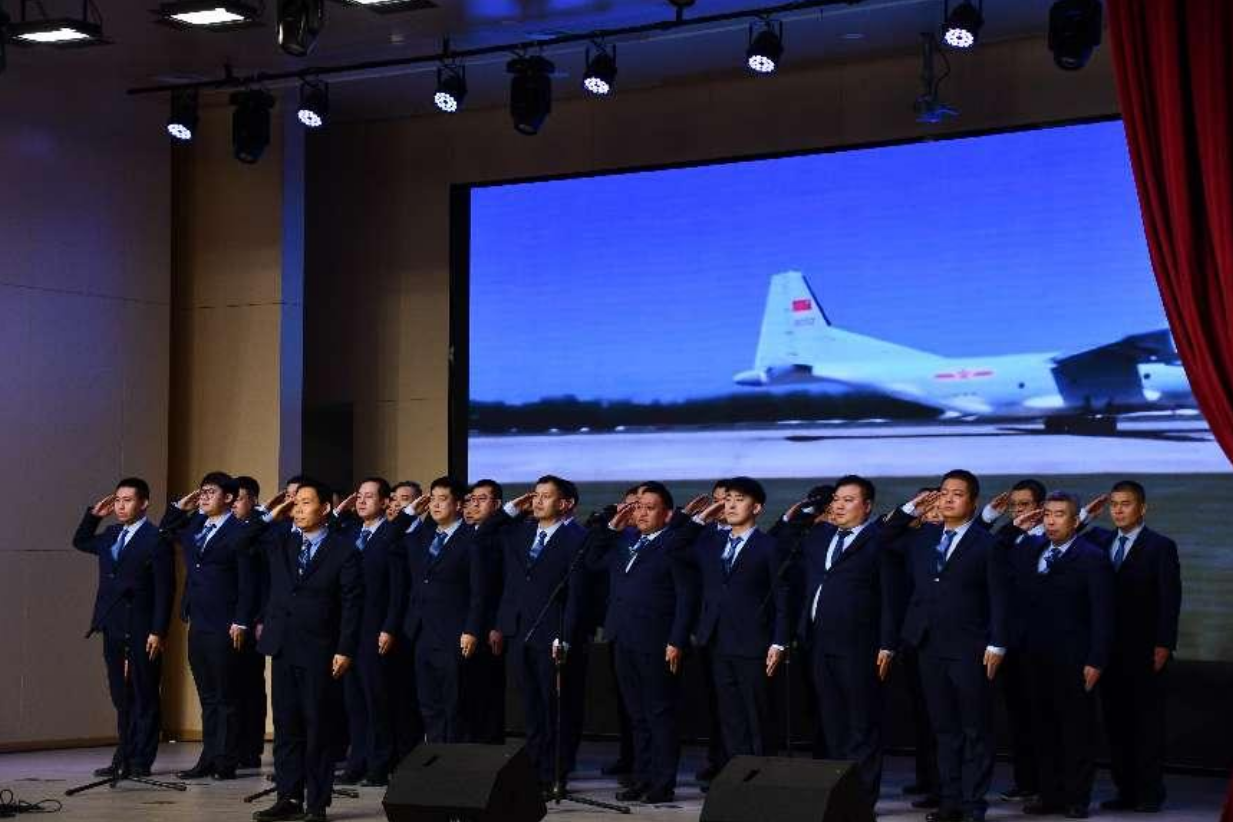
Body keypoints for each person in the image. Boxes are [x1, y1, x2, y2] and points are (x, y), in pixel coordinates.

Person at [890, 470, 1007, 822]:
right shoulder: (923, 537)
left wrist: (997, 643)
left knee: (974, 730)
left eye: (958, 493)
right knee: (945, 731)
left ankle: (973, 806)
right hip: (928, 645)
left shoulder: (987, 543)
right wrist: (911, 508)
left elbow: (1000, 598)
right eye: (943, 493)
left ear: (973, 502)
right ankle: (950, 802)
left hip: (971, 648)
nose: (948, 499)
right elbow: (883, 538)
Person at [253, 479, 363, 822]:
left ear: (325, 508)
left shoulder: (344, 549)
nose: (298, 509)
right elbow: (241, 539)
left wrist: (345, 648)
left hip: (321, 649)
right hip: (283, 645)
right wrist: (273, 514)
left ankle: (316, 803)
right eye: (295, 503)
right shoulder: (280, 540)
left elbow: (352, 605)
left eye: (305, 502)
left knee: (318, 728)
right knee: (286, 726)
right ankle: (288, 797)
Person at [998, 492, 1113, 818]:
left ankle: (1076, 798)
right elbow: (995, 556)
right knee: (1042, 730)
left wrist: (1097, 659)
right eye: (1047, 514)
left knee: (1075, 732)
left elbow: (1103, 613)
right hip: (1033, 658)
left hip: (1075, 660)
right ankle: (1049, 795)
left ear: (1076, 520)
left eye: (1059, 514)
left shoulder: (1091, 557)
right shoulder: (1030, 548)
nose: (1050, 520)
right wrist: (1013, 528)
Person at [588, 482, 698, 804]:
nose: (641, 513)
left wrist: (677, 639)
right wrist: (612, 527)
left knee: (659, 714)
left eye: (650, 508)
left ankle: (662, 783)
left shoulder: (674, 544)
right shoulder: (624, 541)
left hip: (657, 641)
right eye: (637, 507)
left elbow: (686, 597)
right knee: (636, 715)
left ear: (667, 514)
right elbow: (592, 562)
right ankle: (641, 777)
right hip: (623, 637)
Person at [793, 475, 899, 809]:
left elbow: (890, 598)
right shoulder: (819, 536)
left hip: (859, 646)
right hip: (819, 644)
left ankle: (862, 802)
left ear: (867, 506)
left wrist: (887, 644)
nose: (838, 506)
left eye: (848, 500)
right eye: (836, 500)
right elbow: (782, 539)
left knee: (861, 725)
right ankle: (837, 796)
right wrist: (804, 512)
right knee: (833, 725)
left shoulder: (879, 541)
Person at [1085, 481, 1181, 813]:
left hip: (1144, 651)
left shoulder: (1160, 546)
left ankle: (1149, 794)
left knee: (1146, 725)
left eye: (1125, 504)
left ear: (1142, 508)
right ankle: (1125, 791)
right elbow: (1067, 533)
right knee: (1116, 723)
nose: (1118, 510)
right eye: (1114, 505)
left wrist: (1164, 643)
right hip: (1107, 651)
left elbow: (1170, 598)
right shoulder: (1100, 541)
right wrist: (1086, 515)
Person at [681, 476, 789, 764]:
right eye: (727, 499)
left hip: (753, 643)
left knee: (757, 716)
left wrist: (779, 641)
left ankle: (763, 776)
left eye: (739, 500)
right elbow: (674, 548)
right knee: (730, 717)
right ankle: (737, 777)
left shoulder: (769, 546)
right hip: (717, 641)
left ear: (757, 508)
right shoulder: (711, 541)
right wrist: (700, 518)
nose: (730, 505)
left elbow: (781, 596)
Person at [492, 475, 588, 794]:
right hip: (520, 631)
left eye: (546, 496)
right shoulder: (521, 531)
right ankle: (533, 769)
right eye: (536, 495)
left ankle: (554, 773)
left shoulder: (577, 537)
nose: (537, 501)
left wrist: (566, 636)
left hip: (552, 635)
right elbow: (483, 534)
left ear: (565, 504)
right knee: (531, 707)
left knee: (554, 708)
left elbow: (576, 596)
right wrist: (510, 509)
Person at [162, 471, 261, 781]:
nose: (203, 497)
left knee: (226, 695)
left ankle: (226, 760)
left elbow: (248, 582)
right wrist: (179, 507)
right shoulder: (196, 525)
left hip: (226, 622)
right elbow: (165, 531)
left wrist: (241, 620)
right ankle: (208, 756)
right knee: (207, 695)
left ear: (228, 498)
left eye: (210, 492)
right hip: (198, 620)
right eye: (202, 492)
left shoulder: (239, 530)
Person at [73, 478, 175, 778]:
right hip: (113, 624)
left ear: (143, 503)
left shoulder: (156, 538)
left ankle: (141, 760)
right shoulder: (111, 533)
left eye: (127, 500)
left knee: (144, 693)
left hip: (142, 627)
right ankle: (123, 756)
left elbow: (165, 589)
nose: (120, 506)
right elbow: (80, 541)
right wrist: (94, 515)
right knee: (121, 695)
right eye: (117, 500)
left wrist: (158, 630)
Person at [334, 477, 412, 786]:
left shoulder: (392, 535)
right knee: (353, 701)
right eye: (359, 496)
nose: (362, 501)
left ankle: (380, 764)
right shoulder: (349, 533)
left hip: (376, 628)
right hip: (348, 629)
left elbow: (398, 589)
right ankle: (357, 761)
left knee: (376, 699)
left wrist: (390, 626)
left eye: (369, 496)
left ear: (384, 502)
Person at [403, 476, 488, 743]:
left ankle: (453, 762)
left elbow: (479, 591)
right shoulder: (423, 536)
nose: (435, 505)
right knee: (428, 704)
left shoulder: (472, 539)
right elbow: (392, 540)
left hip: (454, 634)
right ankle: (434, 758)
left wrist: (471, 629)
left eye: (443, 499)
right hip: (421, 632)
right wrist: (410, 512)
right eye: (432, 499)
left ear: (459, 505)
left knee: (455, 706)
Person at [980, 478, 1047, 802]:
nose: (1019, 511)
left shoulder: (1051, 538)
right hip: (1010, 643)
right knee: (1018, 716)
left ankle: (1047, 785)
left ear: (1040, 507)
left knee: (1043, 716)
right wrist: (990, 518)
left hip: (1043, 645)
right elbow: (978, 548)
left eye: (1025, 505)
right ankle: (1026, 781)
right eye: (1014, 506)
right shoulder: (1004, 541)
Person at [464, 479, 508, 744]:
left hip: (491, 626)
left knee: (489, 691)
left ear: (497, 504)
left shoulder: (503, 536)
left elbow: (506, 586)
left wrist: (498, 625)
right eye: (472, 499)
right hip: (465, 625)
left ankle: (489, 748)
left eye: (482, 499)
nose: (475, 504)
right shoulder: (467, 534)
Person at [232, 475, 270, 770]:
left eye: (239, 498)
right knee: (232, 686)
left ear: (254, 500)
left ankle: (250, 748)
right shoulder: (227, 527)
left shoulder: (263, 527)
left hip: (254, 618)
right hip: (228, 618)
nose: (233, 503)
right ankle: (232, 747)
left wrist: (261, 617)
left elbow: (267, 581)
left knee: (250, 686)